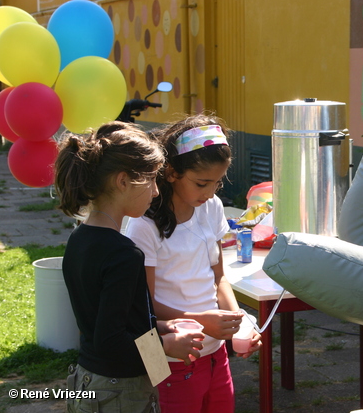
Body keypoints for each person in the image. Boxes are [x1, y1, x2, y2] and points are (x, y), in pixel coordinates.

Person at [54, 122, 205, 412]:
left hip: (87, 380)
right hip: (120, 392)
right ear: (123, 181)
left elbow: (107, 320)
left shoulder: (78, 239)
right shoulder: (125, 254)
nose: (156, 192)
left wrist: (159, 324)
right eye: (150, 180)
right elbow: (110, 341)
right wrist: (166, 346)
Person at [126, 114, 262, 413]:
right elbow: (142, 306)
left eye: (217, 182)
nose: (211, 192)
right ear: (172, 173)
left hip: (213, 353)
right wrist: (204, 320)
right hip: (167, 356)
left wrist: (237, 320)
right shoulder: (143, 225)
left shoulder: (211, 208)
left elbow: (219, 278)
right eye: (202, 183)